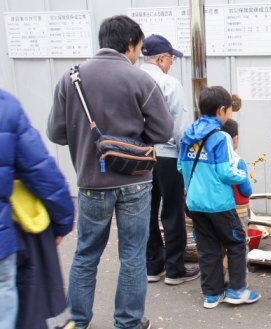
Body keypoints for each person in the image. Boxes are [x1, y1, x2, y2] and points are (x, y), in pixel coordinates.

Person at [47, 15, 173, 329]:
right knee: (132, 254)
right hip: (135, 181)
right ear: (130, 45)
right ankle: (128, 322)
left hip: (91, 180)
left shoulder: (71, 77)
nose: (138, 54)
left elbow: (56, 133)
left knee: (86, 253)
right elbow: (163, 131)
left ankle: (76, 320)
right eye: (139, 47)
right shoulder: (141, 79)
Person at [178, 86, 260, 309]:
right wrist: (242, 173)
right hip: (218, 203)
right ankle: (236, 291)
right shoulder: (221, 136)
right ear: (222, 110)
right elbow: (226, 172)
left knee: (207, 247)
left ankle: (211, 295)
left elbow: (181, 167)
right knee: (235, 243)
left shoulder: (188, 133)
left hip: (195, 202)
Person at [0, 89, 75, 329]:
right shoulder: (5, 106)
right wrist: (63, 220)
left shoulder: (71, 78)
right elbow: (40, 170)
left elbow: (56, 131)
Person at [140, 34, 199, 285]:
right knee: (172, 211)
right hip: (166, 156)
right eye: (171, 59)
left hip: (138, 156)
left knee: (146, 211)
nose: (171, 63)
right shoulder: (169, 84)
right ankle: (174, 269)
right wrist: (186, 159)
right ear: (162, 58)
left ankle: (152, 266)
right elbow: (180, 127)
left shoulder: (131, 80)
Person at [219, 119, 252, 229]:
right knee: (240, 238)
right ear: (235, 139)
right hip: (239, 209)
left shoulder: (215, 159)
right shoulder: (238, 161)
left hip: (220, 208)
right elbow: (245, 190)